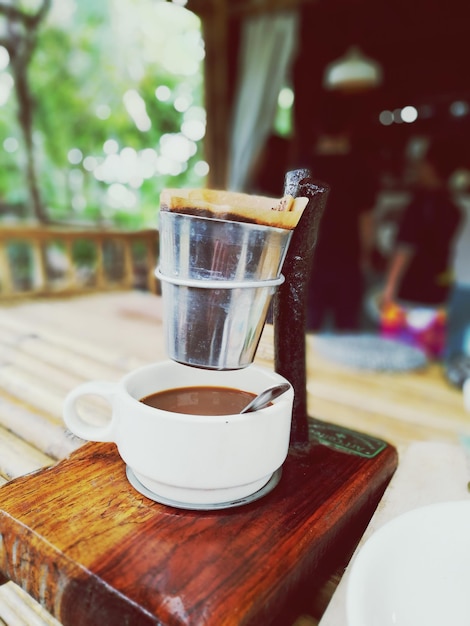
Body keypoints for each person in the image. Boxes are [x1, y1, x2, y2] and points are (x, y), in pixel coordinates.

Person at [380, 136, 464, 358]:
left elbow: (405, 249)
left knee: (396, 354)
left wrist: (389, 289)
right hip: (437, 292)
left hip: (410, 290)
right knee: (425, 355)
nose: (417, 170)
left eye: (422, 164)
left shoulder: (418, 205)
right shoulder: (453, 208)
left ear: (431, 167)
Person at [305, 127, 379, 332]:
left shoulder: (306, 167)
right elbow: (366, 218)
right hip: (348, 257)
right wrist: (365, 256)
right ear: (347, 134)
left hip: (311, 258)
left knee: (308, 328)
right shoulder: (361, 167)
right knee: (346, 327)